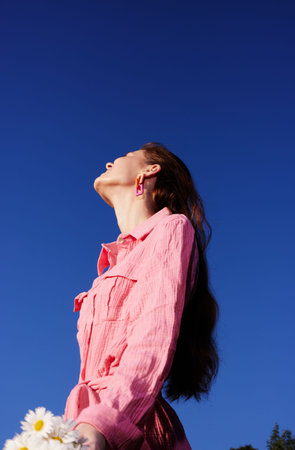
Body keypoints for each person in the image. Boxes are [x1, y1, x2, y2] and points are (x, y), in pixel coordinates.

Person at [64, 142, 219, 449]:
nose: (109, 162)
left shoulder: (172, 228)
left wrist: (105, 422)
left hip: (128, 424)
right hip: (84, 420)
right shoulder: (107, 271)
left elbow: (154, 335)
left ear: (149, 171)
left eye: (123, 157)